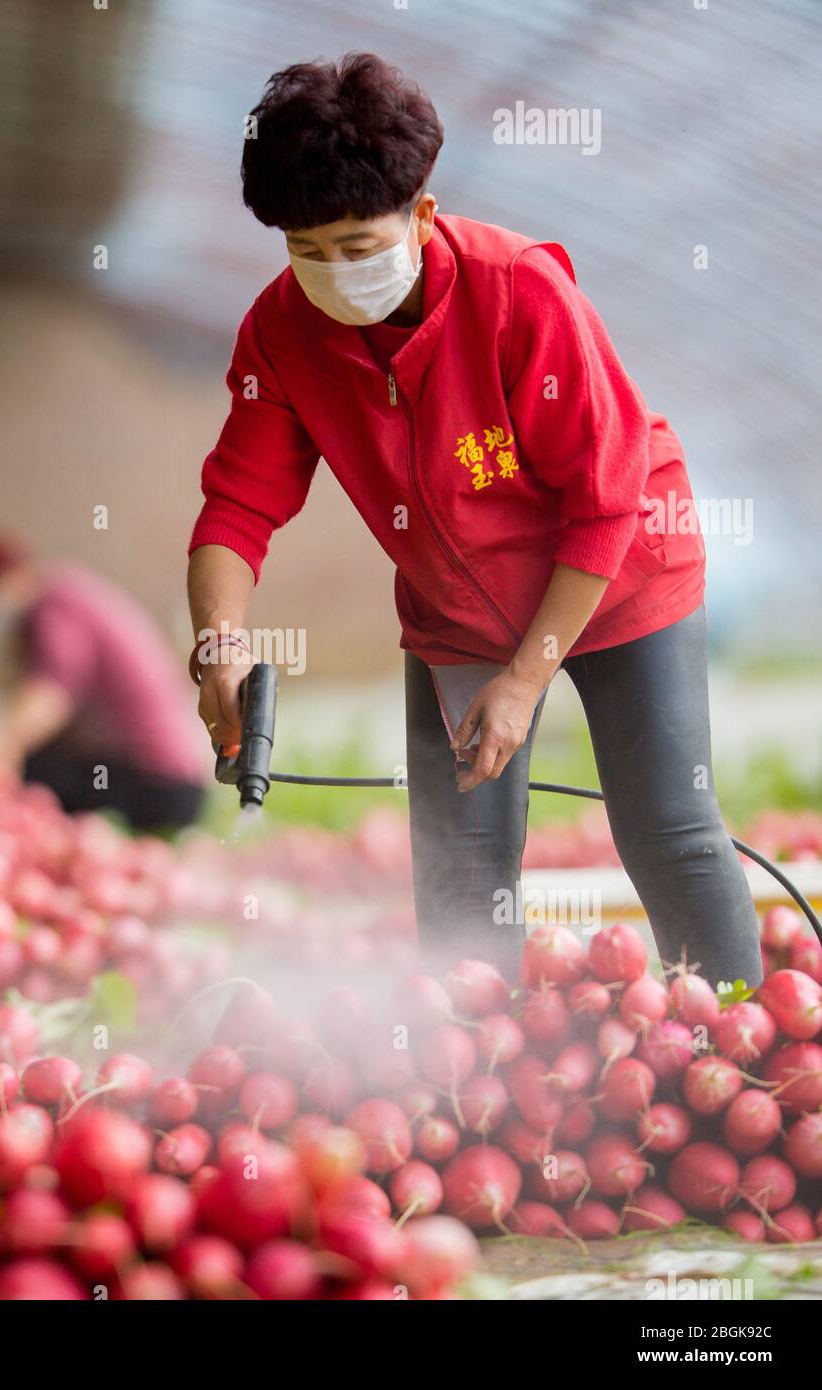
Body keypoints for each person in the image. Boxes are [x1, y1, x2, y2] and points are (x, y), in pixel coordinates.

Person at [186, 53, 761, 985]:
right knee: (459, 870)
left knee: (669, 829)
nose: (333, 274)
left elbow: (605, 494)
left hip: (619, 573)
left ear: (421, 212)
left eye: (359, 246)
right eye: (307, 249)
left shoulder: (516, 292)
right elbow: (237, 504)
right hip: (459, 609)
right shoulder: (282, 333)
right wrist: (219, 640)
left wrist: (527, 679)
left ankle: (743, 1044)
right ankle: (476, 1076)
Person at [0, 536, 208, 833]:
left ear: (6, 577)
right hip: (171, 779)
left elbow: (50, 694)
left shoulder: (55, 608)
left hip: (160, 786)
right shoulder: (68, 595)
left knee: (32, 772)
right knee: (39, 763)